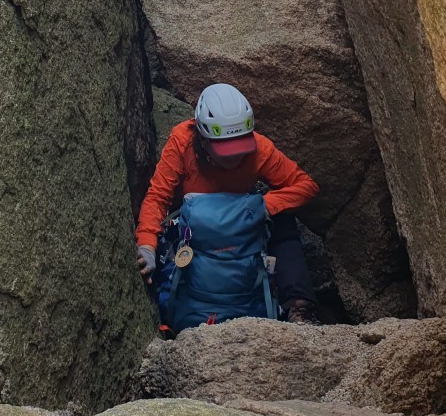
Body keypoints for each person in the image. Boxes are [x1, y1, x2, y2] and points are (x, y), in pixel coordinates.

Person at [135, 82, 321, 324]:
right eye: (226, 151)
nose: (235, 158)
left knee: (283, 219)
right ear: (203, 139)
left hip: (243, 229)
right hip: (197, 235)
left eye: (240, 149)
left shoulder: (258, 149)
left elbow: (305, 186)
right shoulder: (182, 142)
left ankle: (300, 308)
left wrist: (263, 206)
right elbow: (158, 197)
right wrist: (147, 246)